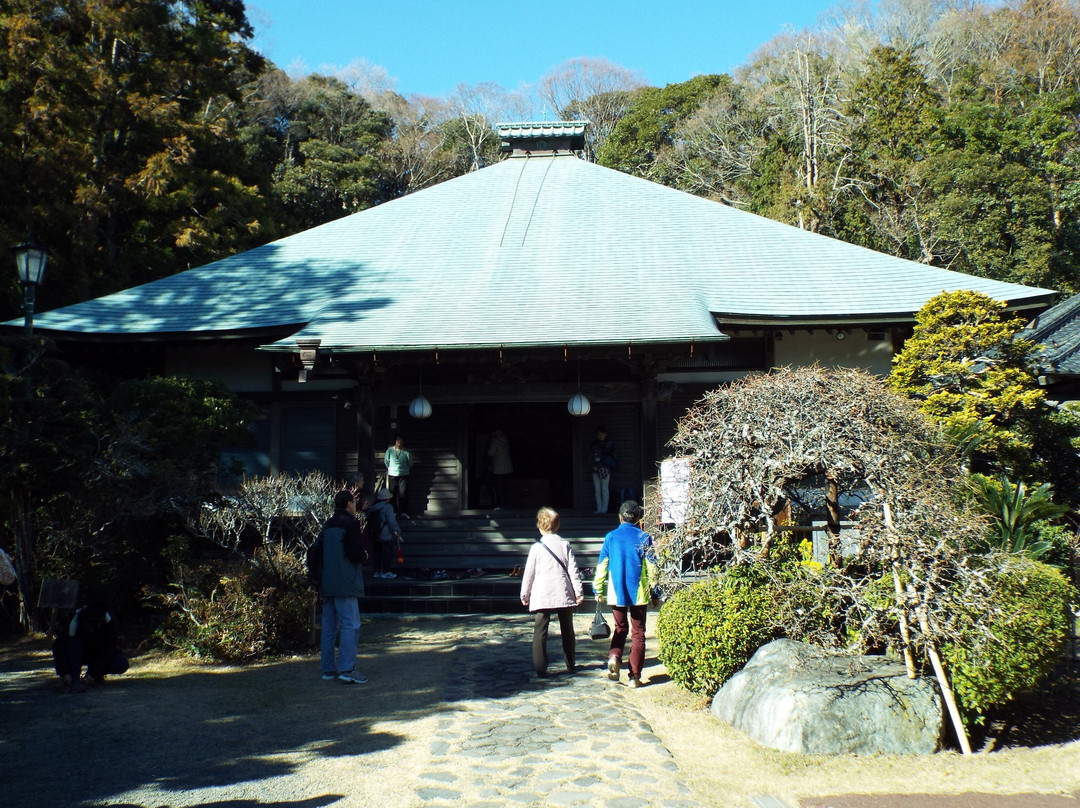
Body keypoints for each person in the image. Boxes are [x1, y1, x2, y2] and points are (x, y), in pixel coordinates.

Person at [593, 500, 657, 688]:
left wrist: (598, 589)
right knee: (638, 633)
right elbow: (652, 567)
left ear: (620, 517)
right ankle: (634, 676)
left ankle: (614, 656)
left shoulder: (610, 537)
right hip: (639, 592)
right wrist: (655, 591)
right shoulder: (645, 537)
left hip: (616, 591)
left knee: (620, 628)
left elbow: (602, 564)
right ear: (638, 519)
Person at [308, 490, 368, 684]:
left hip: (327, 581)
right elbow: (354, 552)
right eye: (354, 502)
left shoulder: (327, 524)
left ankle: (328, 669)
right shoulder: (351, 523)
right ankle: (347, 668)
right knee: (351, 624)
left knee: (328, 627)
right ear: (349, 504)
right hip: (345, 581)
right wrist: (365, 556)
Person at [520, 507, 583, 677]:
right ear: (557, 525)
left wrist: (524, 594)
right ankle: (570, 663)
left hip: (542, 593)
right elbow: (573, 571)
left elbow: (529, 574)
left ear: (540, 526)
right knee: (567, 629)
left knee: (540, 629)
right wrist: (579, 591)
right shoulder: (565, 545)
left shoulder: (536, 548)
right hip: (562, 590)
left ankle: (540, 666)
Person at [52, 601, 129, 693]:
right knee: (74, 644)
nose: (91, 628)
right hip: (77, 654)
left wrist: (92, 673)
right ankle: (74, 678)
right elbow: (59, 648)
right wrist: (64, 672)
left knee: (120, 663)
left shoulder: (110, 624)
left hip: (97, 653)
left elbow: (109, 650)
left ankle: (96, 675)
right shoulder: (73, 622)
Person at [367, 487, 402, 579]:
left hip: (375, 533)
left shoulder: (373, 507)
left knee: (377, 553)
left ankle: (377, 571)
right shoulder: (388, 507)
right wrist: (397, 530)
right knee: (387, 553)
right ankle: (386, 571)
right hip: (385, 533)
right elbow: (391, 521)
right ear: (387, 498)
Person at [589, 427, 617, 514]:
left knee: (604, 489)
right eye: (599, 434)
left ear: (605, 434)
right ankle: (599, 508)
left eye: (602, 434)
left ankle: (604, 509)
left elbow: (612, 458)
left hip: (605, 469)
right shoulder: (594, 444)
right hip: (595, 469)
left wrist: (605, 466)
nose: (600, 436)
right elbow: (590, 457)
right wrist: (593, 466)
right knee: (597, 490)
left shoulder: (609, 445)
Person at [384, 434, 413, 517]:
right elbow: (386, 461)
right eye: (397, 440)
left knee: (403, 493)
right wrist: (391, 468)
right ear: (395, 441)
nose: (399, 442)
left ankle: (403, 511)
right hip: (392, 474)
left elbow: (410, 463)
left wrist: (405, 469)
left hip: (404, 474)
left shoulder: (406, 452)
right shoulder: (390, 451)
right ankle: (394, 511)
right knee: (392, 492)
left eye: (400, 440)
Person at [487, 428, 513, 509]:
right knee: (505, 486)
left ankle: (500, 505)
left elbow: (490, 452)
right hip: (507, 466)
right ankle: (506, 504)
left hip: (498, 466)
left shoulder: (495, 440)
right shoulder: (505, 438)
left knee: (499, 487)